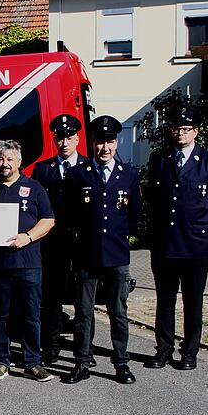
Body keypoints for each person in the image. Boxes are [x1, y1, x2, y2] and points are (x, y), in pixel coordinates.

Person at [145, 109, 208, 371]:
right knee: (165, 300)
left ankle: (190, 352)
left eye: (187, 128)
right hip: (166, 244)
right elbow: (153, 200)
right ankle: (164, 349)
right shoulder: (160, 159)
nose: (181, 133)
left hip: (196, 245)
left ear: (196, 131)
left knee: (193, 300)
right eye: (177, 128)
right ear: (171, 131)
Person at [63, 116, 140, 384]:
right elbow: (70, 214)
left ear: (116, 142)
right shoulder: (77, 174)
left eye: (110, 142)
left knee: (118, 311)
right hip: (87, 255)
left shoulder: (129, 175)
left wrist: (119, 238)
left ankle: (121, 363)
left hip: (117, 255)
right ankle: (82, 361)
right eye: (100, 142)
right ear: (92, 143)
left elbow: (134, 215)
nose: (105, 148)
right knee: (83, 312)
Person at [0, 140, 55, 382]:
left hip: (28, 264)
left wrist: (27, 237)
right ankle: (1, 361)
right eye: (0, 159)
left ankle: (32, 362)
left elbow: (48, 220)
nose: (4, 163)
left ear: (19, 162)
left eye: (9, 159)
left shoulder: (35, 188)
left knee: (31, 315)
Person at [32, 115, 89, 364]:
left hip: (81, 243)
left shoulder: (89, 167)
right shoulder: (43, 169)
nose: (64, 142)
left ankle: (83, 349)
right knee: (52, 298)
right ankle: (51, 347)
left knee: (82, 300)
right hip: (52, 244)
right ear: (54, 139)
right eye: (60, 138)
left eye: (69, 137)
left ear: (77, 138)